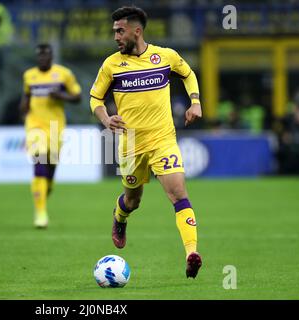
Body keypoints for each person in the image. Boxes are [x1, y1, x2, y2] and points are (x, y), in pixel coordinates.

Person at [90, 6, 203, 278]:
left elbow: (187, 73)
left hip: (163, 140)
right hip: (129, 145)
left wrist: (195, 102)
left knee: (178, 194)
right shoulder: (111, 64)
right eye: (114, 30)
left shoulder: (165, 57)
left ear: (136, 31)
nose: (115, 36)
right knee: (133, 199)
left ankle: (191, 252)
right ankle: (120, 217)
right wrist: (106, 119)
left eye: (120, 30)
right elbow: (95, 99)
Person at [20, 44, 82, 228]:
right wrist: (23, 108)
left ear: (51, 56)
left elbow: (77, 97)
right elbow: (26, 97)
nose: (42, 59)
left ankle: (46, 190)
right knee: (39, 162)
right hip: (34, 126)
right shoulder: (29, 75)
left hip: (56, 127)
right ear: (36, 57)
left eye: (46, 55)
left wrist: (61, 96)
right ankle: (40, 214)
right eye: (39, 56)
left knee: (50, 167)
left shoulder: (64, 74)